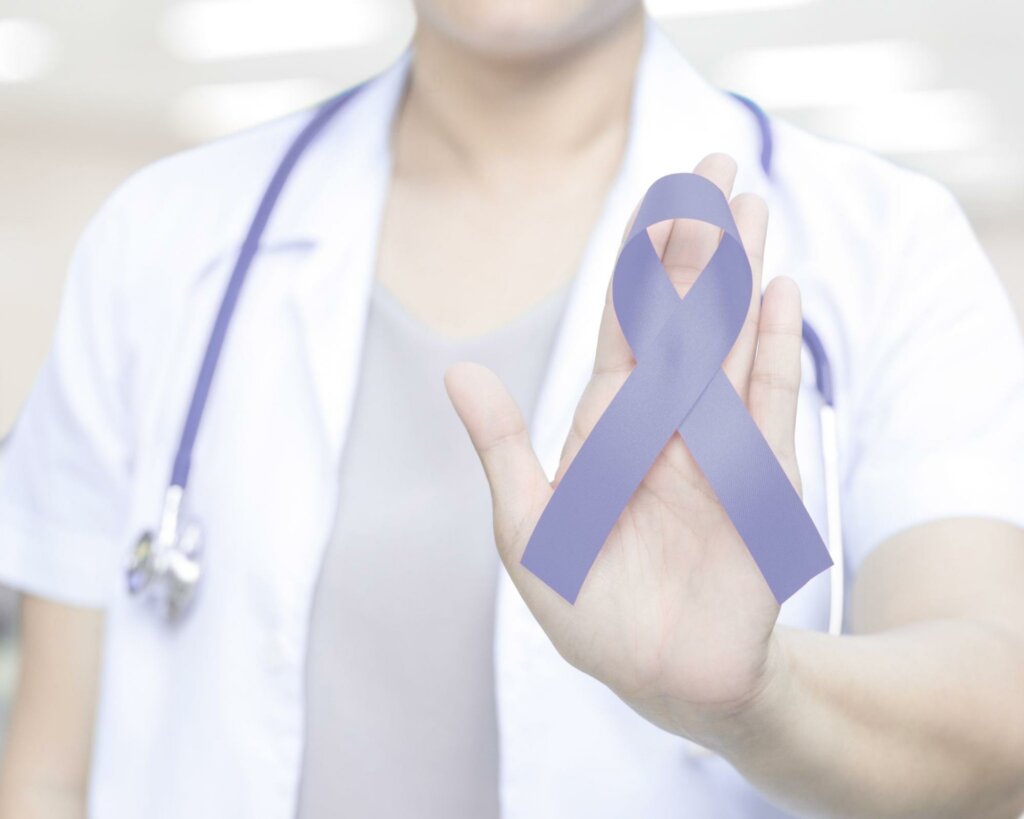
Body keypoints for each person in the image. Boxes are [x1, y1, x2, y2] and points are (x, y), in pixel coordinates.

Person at [1, 1, 1023, 817]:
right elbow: (48, 775)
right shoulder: (163, 242)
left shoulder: (884, 247)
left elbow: (996, 720)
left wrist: (764, 699)